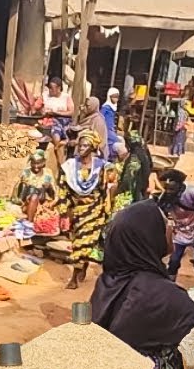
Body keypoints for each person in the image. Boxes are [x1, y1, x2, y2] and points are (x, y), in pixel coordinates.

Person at [91, 199, 194, 369]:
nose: (171, 226)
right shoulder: (159, 294)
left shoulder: (108, 282)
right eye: (164, 223)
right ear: (148, 236)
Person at [57, 130, 116, 290]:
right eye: (80, 145)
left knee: (84, 243)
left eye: (85, 145)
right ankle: (82, 266)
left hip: (95, 211)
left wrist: (107, 210)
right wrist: (63, 210)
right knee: (79, 242)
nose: (81, 148)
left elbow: (107, 189)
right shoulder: (70, 166)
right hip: (77, 210)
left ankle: (74, 277)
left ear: (93, 148)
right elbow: (63, 189)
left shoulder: (102, 167)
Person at [160, 169, 194, 282]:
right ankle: (170, 284)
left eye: (172, 189)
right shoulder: (164, 197)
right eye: (167, 189)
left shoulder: (193, 192)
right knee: (173, 261)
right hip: (181, 231)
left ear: (179, 186)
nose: (169, 192)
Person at [13, 150, 56, 222]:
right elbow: (18, 194)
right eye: (33, 163)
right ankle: (29, 222)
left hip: (44, 205)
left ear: (43, 163)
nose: (36, 166)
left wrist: (49, 187)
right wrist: (24, 187)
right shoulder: (26, 173)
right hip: (27, 204)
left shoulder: (48, 173)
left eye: (38, 163)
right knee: (34, 197)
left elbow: (54, 195)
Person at [39, 77, 74, 161]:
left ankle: (62, 149)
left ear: (58, 88)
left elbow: (71, 112)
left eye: (52, 88)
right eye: (49, 87)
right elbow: (38, 108)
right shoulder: (45, 95)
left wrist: (58, 113)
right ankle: (59, 156)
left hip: (63, 120)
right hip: (49, 120)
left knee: (67, 134)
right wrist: (43, 111)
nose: (50, 90)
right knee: (55, 135)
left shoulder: (66, 97)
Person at [101, 87, 122, 158]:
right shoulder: (106, 107)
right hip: (106, 129)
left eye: (117, 97)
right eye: (114, 97)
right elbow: (101, 117)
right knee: (114, 141)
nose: (116, 99)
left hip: (111, 128)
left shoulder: (113, 107)